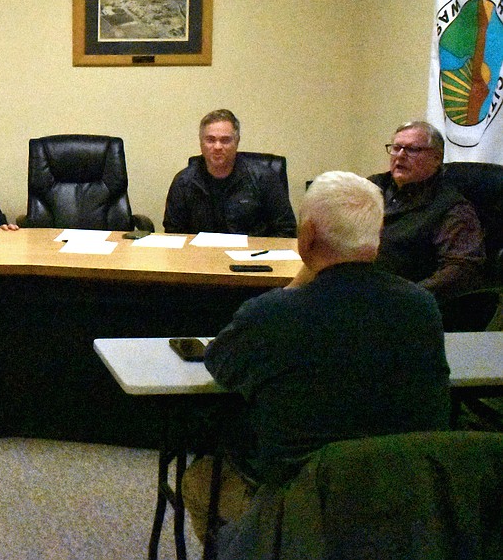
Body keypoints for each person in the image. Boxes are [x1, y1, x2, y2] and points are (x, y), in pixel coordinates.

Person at [183, 171, 451, 542]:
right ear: (376, 238)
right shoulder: (422, 308)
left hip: (302, 508)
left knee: (198, 479)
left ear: (306, 237)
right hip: (403, 503)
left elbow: (220, 365)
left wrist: (295, 284)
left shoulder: (270, 314)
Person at [368, 120, 485, 301]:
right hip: (359, 292)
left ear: (436, 159)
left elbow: (461, 269)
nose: (400, 156)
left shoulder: (451, 208)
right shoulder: (372, 187)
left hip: (406, 304)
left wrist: (409, 296)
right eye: (396, 147)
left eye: (412, 150)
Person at [163, 109, 297, 237]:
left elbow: (286, 230)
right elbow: (174, 234)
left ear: (237, 142)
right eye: (210, 140)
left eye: (225, 140)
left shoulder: (264, 178)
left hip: (251, 257)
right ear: (201, 142)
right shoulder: (183, 182)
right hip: (200, 257)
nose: (217, 147)